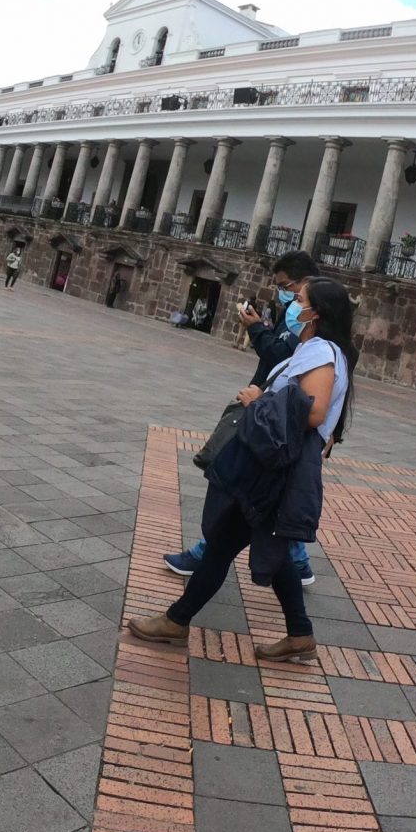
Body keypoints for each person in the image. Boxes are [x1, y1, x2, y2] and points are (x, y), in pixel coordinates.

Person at [129, 277, 357, 662]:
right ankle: (299, 634)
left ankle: (176, 621)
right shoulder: (319, 348)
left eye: (298, 300)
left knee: (224, 545)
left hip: (273, 468)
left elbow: (313, 411)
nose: (291, 305)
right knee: (265, 545)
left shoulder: (321, 352)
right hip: (275, 465)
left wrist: (259, 401)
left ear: (315, 313)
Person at [166, 250, 320, 583]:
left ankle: (205, 556)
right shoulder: (299, 320)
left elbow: (287, 361)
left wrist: (256, 331)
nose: (285, 294)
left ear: (305, 285)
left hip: (273, 422)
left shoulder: (318, 335)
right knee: (269, 500)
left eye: (287, 287)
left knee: (239, 489)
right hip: (267, 415)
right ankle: (297, 563)